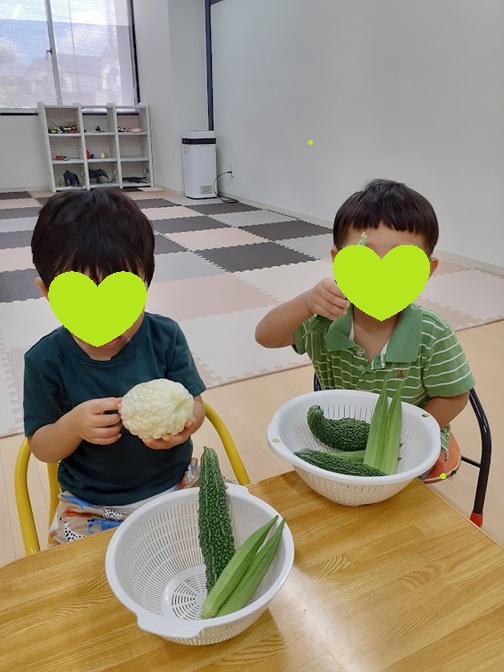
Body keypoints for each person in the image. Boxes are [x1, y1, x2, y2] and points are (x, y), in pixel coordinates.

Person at [255, 179, 475, 481]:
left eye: (400, 263)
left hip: (410, 441)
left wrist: (408, 432)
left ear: (427, 270)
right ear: (339, 261)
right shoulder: (325, 319)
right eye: (365, 259)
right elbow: (266, 336)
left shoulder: (431, 333)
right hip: (341, 435)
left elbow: (455, 396)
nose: (380, 275)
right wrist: (306, 303)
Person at [24, 189, 206, 544]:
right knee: (78, 574)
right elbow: (42, 447)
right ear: (48, 293)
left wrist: (186, 425)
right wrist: (73, 425)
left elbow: (196, 405)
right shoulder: (45, 360)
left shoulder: (165, 336)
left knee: (226, 538)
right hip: (92, 505)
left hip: (178, 482)